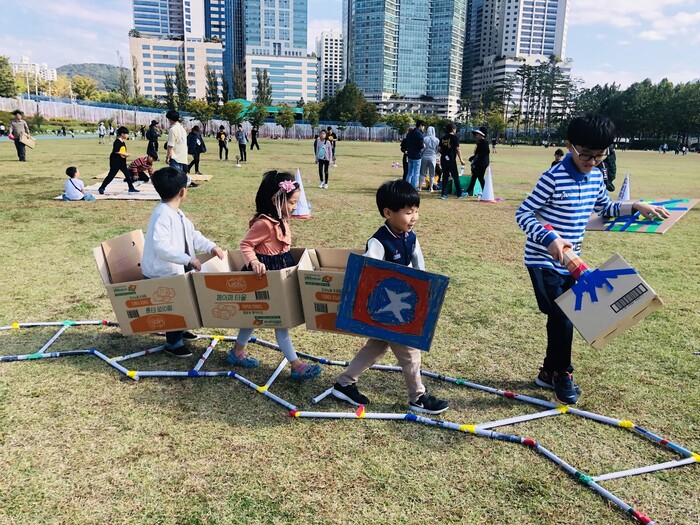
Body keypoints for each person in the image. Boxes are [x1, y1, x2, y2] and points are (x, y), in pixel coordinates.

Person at [515, 114, 670, 405]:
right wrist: (551, 240)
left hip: (574, 263)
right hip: (543, 261)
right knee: (566, 315)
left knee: (562, 317)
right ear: (570, 146)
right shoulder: (552, 178)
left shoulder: (597, 176)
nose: (591, 161)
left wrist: (634, 205)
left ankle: (549, 372)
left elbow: (605, 207)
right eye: (585, 154)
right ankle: (563, 373)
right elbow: (522, 214)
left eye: (599, 155)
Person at [331, 179, 449, 414]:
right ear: (388, 213)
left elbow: (419, 267)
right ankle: (418, 397)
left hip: (403, 304)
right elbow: (368, 271)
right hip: (387, 309)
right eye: (408, 212)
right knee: (410, 352)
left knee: (376, 347)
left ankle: (344, 384)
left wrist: (427, 288)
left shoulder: (410, 236)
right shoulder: (379, 241)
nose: (414, 217)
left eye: (416, 211)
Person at [226, 170, 323, 381]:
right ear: (276, 200)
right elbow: (246, 244)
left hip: (280, 273)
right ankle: (296, 365)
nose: (295, 207)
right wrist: (253, 262)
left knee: (264, 318)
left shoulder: (281, 220)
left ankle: (236, 353)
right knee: (277, 320)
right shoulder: (264, 223)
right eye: (292, 202)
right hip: (264, 276)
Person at [142, 167, 224, 357]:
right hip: (162, 271)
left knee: (183, 301)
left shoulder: (177, 212)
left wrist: (210, 246)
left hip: (177, 266)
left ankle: (181, 328)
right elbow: (160, 247)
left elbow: (192, 235)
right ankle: (173, 343)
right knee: (172, 306)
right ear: (182, 191)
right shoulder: (163, 214)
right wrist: (188, 259)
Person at [98, 126, 138, 194]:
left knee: (127, 174)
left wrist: (125, 154)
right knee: (111, 175)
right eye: (126, 134)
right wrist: (126, 154)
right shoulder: (117, 141)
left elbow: (122, 150)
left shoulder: (123, 142)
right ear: (122, 134)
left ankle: (131, 188)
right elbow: (116, 151)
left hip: (122, 161)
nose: (127, 135)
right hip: (115, 161)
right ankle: (102, 188)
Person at [438, 122, 466, 199]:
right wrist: (461, 160)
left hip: (443, 159)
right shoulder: (455, 138)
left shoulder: (443, 138)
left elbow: (439, 149)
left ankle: (444, 194)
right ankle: (459, 193)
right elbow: (457, 149)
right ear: (453, 129)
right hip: (451, 160)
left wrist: (444, 153)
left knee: (445, 176)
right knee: (455, 176)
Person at [466, 126, 490, 197]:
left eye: (477, 134)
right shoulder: (479, 142)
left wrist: (475, 157)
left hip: (482, 163)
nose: (476, 135)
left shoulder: (484, 142)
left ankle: (485, 192)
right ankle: (468, 191)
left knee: (480, 177)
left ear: (481, 135)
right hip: (478, 162)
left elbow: (486, 152)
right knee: (475, 177)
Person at [404, 120, 425, 189]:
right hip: (417, 156)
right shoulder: (420, 134)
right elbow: (421, 146)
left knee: (409, 172)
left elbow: (406, 143)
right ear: (420, 126)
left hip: (410, 155)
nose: (423, 128)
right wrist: (423, 146)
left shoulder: (410, 133)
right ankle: (413, 187)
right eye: (423, 126)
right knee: (416, 173)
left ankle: (407, 186)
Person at [419, 125, 439, 192]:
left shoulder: (424, 139)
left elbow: (422, 148)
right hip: (433, 157)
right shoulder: (436, 140)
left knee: (422, 173)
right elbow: (437, 150)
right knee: (432, 174)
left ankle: (420, 187)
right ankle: (431, 188)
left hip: (424, 157)